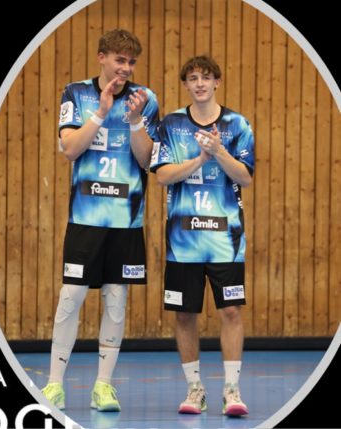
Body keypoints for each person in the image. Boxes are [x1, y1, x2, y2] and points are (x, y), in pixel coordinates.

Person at [41, 28, 160, 412]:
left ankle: (103, 388)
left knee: (116, 300)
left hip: (126, 220)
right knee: (71, 295)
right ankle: (54, 385)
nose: (125, 68)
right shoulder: (76, 93)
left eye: (131, 62)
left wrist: (136, 121)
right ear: (102, 57)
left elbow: (147, 161)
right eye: (119, 59)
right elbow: (70, 149)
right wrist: (102, 112)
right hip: (86, 217)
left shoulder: (145, 99)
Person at [149, 55, 254, 416]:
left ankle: (232, 391)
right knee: (184, 315)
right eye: (192, 78)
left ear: (216, 82)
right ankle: (195, 390)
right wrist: (199, 160)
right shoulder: (171, 125)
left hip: (225, 240)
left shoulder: (237, 124)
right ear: (186, 84)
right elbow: (162, 176)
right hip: (183, 242)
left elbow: (245, 177)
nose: (199, 84)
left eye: (206, 78)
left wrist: (219, 151)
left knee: (231, 311)